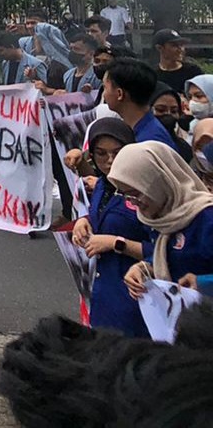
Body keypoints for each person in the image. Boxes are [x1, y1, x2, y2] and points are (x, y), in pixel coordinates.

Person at [67, 118, 150, 337]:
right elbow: (100, 217)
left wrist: (116, 243)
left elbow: (164, 250)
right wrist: (84, 222)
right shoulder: (103, 184)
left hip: (138, 299)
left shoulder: (146, 191)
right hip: (102, 295)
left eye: (117, 152)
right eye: (101, 154)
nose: (110, 160)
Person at [116, 142, 213, 301]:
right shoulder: (161, 217)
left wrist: (203, 283)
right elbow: (168, 254)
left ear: (160, 183)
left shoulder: (206, 218)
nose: (133, 203)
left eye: (136, 194)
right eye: (125, 195)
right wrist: (144, 268)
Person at [104, 58, 179, 150]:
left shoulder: (149, 142)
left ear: (120, 94)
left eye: (105, 88)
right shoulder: (142, 129)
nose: (104, 94)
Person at [152, 29, 204, 94]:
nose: (180, 49)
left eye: (181, 45)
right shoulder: (152, 75)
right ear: (159, 48)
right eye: (174, 45)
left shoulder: (193, 71)